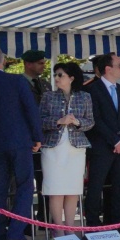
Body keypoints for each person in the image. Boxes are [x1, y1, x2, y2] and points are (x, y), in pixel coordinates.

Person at [0, 46, 42, 240]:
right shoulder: (17, 80)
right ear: (3, 61)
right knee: (25, 186)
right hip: (19, 141)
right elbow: (31, 109)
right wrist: (37, 137)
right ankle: (16, 233)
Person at [39, 62, 94, 229]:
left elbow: (90, 122)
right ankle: (58, 228)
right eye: (55, 75)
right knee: (55, 189)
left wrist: (77, 122)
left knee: (73, 189)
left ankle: (70, 228)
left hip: (76, 148)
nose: (56, 78)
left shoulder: (85, 97)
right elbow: (40, 121)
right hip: (53, 148)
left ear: (71, 78)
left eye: (60, 75)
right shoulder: (48, 96)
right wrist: (59, 121)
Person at [82, 53, 120, 226]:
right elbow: (95, 119)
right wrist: (115, 141)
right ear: (108, 69)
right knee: (96, 186)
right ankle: (93, 223)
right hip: (101, 146)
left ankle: (118, 222)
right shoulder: (92, 90)